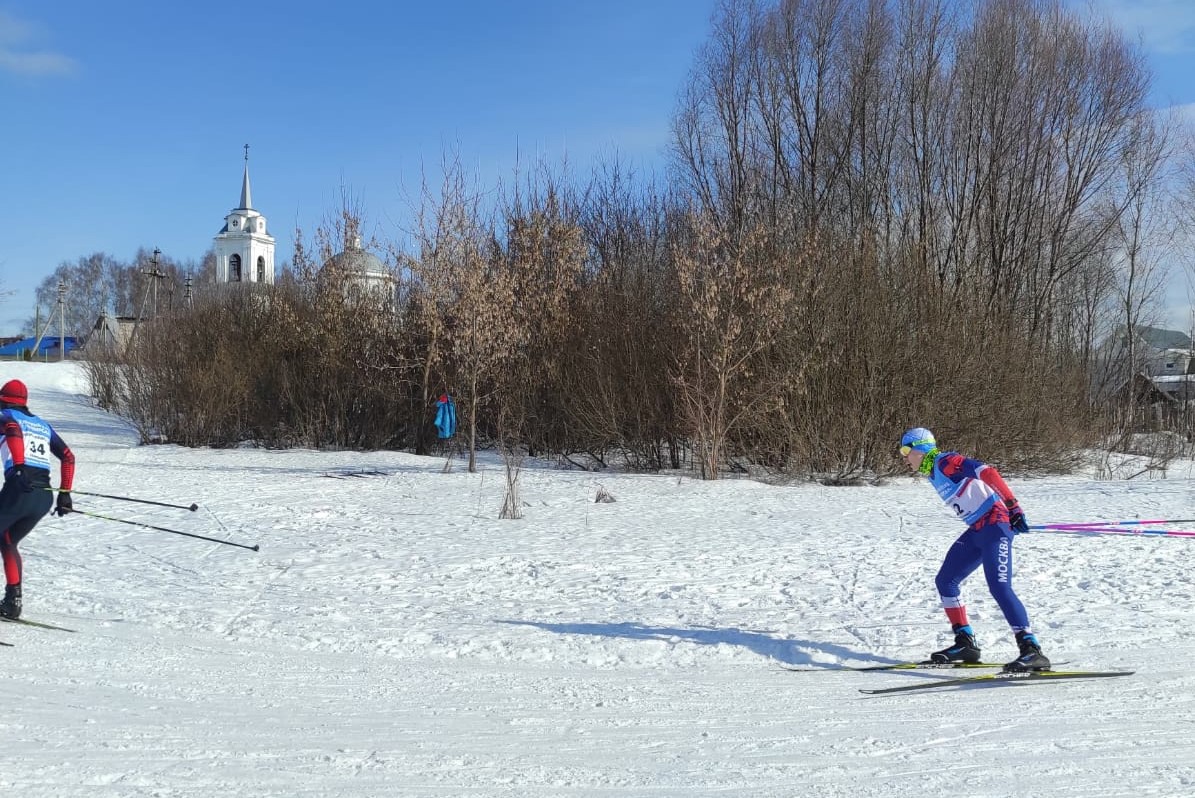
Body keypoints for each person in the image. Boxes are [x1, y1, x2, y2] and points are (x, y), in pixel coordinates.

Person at [900, 426, 1050, 672]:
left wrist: (1013, 507)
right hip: (978, 529)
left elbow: (987, 472)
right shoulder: (932, 473)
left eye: (906, 450)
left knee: (999, 586)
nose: (904, 457)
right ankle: (965, 643)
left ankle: (1031, 649)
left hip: (995, 526)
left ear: (921, 449)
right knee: (946, 581)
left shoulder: (944, 461)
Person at [0, 379, 75, 620]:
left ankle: (12, 600)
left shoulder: (5, 414)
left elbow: (11, 429)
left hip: (19, 489)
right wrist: (65, 493)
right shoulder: (42, 424)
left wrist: (20, 466)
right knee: (7, 541)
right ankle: (13, 602)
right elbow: (68, 456)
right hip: (43, 496)